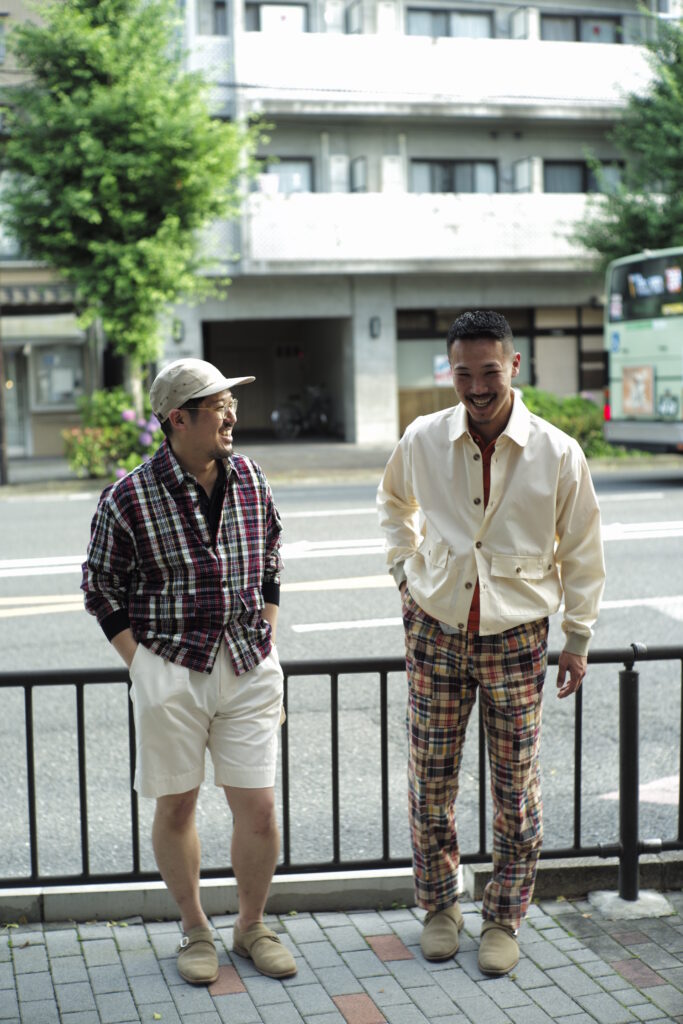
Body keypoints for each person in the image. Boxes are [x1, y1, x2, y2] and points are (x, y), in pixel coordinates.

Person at [377, 311, 605, 976]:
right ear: (449, 371)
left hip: (516, 635)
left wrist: (578, 636)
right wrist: (404, 571)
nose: (476, 387)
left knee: (515, 786)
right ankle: (439, 906)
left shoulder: (556, 451)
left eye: (489, 371)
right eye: (463, 373)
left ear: (513, 366)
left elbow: (583, 550)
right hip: (434, 627)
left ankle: (504, 915)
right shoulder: (423, 438)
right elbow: (393, 505)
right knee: (430, 779)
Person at [81, 358, 296, 986]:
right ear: (179, 418)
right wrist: (143, 665)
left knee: (259, 809)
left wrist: (268, 632)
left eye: (231, 404)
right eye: (219, 407)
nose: (232, 417)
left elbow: (271, 557)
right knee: (176, 807)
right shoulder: (128, 496)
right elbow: (100, 584)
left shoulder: (251, 477)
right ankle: (195, 928)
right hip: (171, 665)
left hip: (248, 661)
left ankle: (251, 926)